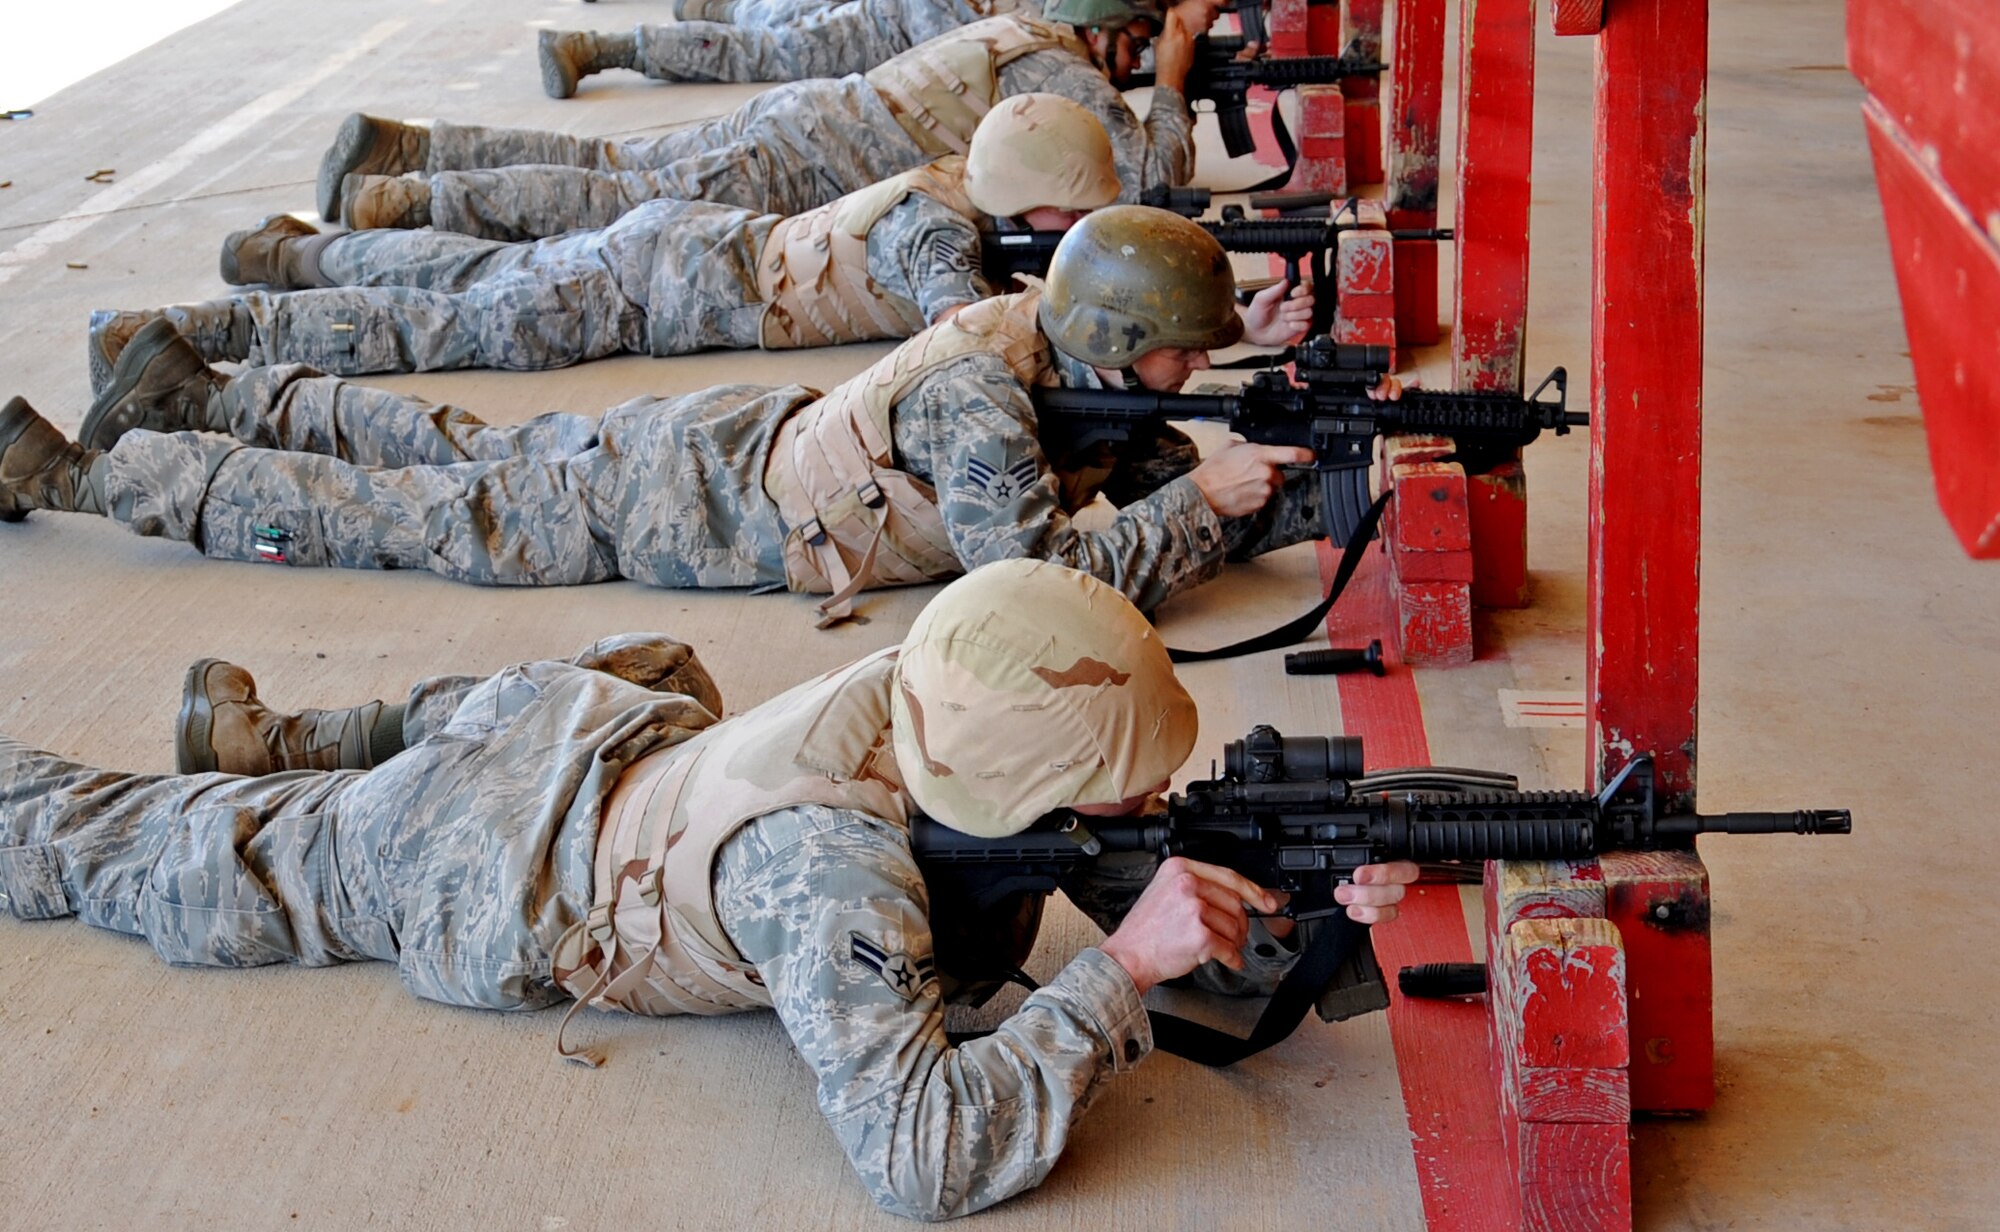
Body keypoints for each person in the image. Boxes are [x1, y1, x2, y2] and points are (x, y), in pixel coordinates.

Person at [0, 558, 1419, 1220]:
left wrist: (1285, 903)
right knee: (181, 854)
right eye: (1117, 789)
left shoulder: (947, 680)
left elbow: (1084, 843)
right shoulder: (835, 875)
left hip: (587, 723)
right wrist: (1123, 971)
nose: (1144, 808)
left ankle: (310, 739)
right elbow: (920, 1161)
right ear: (1027, 798)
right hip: (486, 857)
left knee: (587, 686)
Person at [2, 207, 1330, 624]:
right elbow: (1028, 584)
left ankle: (196, 391)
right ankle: (76, 477)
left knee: (465, 448)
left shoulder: (1043, 330)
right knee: (408, 511)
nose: (1181, 376)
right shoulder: (980, 398)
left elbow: (1124, 429)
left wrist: (1233, 387)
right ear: (1115, 339)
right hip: (686, 502)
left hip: (728, 440)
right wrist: (1200, 508)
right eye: (1178, 353)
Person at [81, 95, 1122, 391]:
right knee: (431, 326)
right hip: (652, 289)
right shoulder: (939, 236)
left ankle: (290, 255)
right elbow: (956, 329)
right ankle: (168, 327)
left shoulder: (963, 181)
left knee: (465, 278)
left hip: (673, 256)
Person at [315, 0, 1216, 242]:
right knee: (604, 200)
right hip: (804, 159)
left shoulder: (1032, 36)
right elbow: (1150, 184)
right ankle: (404, 199)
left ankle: (420, 154)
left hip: (806, 124)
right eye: (1138, 39)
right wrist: (1174, 74)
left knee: (611, 165)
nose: (1136, 58)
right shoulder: (1060, 63)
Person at [537, 0, 1037, 96]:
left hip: (924, 29)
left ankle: (723, 7)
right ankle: (593, 48)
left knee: (778, 31)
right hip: (912, 28)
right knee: (770, 46)